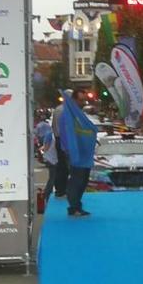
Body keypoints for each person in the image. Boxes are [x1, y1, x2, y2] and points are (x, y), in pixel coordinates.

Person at [59, 89, 97, 217]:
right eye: (80, 100)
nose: (83, 102)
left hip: (83, 153)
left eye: (84, 100)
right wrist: (68, 150)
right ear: (73, 100)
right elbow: (64, 134)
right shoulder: (66, 116)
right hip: (74, 153)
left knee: (84, 179)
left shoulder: (78, 115)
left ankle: (77, 205)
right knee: (77, 179)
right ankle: (73, 206)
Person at [51, 95, 70, 197]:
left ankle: (60, 189)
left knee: (61, 166)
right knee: (65, 166)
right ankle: (63, 188)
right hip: (64, 139)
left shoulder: (58, 109)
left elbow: (54, 126)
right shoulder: (66, 110)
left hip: (59, 139)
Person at [41, 126, 58, 202]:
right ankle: (47, 195)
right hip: (51, 159)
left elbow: (45, 148)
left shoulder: (50, 134)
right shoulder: (50, 135)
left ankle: (47, 194)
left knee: (53, 177)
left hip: (52, 159)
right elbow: (46, 148)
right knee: (52, 178)